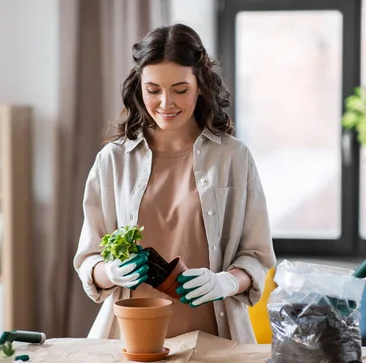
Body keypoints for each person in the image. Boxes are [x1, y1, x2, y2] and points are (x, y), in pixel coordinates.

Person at [73, 23, 276, 344]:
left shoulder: (234, 157)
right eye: (153, 90)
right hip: (129, 338)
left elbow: (257, 256)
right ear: (139, 88)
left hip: (215, 337)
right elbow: (89, 258)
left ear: (200, 85)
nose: (166, 103)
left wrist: (226, 282)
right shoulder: (113, 160)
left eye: (180, 89)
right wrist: (110, 273)